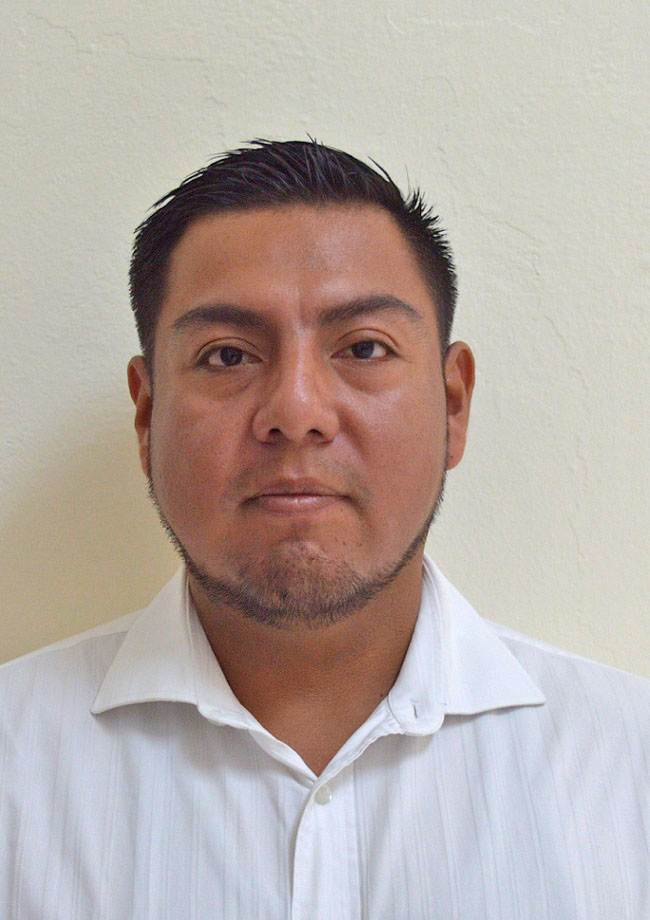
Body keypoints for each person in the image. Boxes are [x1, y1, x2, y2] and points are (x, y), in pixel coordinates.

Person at [1, 139, 648, 920]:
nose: (297, 412)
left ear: (453, 405)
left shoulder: (629, 768)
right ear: (146, 415)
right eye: (227, 355)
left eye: (365, 348)